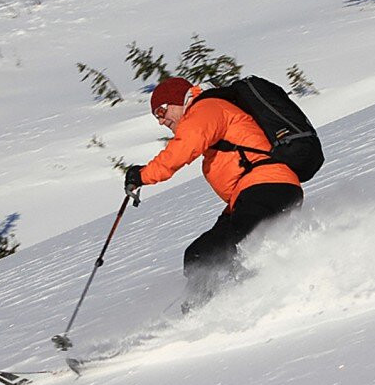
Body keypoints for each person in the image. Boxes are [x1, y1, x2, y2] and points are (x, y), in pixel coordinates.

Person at [125, 76, 303, 308]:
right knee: (199, 255)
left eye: (161, 111)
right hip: (254, 194)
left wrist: (142, 175)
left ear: (179, 100)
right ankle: (204, 307)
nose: (161, 121)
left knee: (239, 248)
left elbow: (181, 151)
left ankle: (239, 303)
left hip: (266, 187)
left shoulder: (205, 108)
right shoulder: (208, 114)